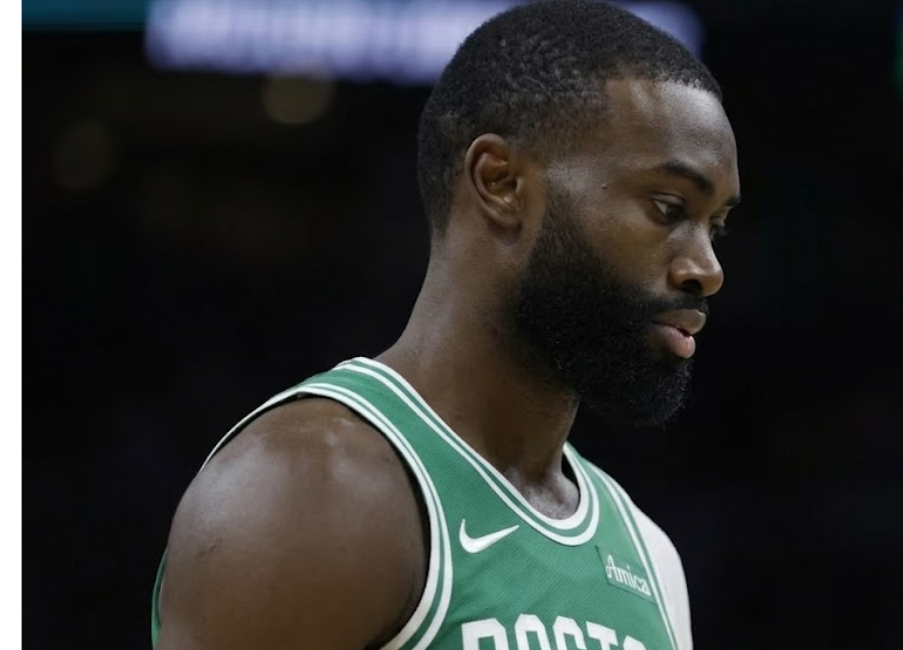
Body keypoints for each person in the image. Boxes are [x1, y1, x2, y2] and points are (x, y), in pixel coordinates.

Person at [150, 0, 740, 648]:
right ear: (502, 182)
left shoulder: (650, 561)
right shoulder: (309, 487)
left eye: (715, 226)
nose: (706, 269)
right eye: (667, 206)